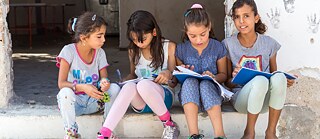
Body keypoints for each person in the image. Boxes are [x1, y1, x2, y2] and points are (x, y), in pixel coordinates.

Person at [97, 10, 180, 139]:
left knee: (144, 85)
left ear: (154, 32)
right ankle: (105, 133)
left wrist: (167, 74)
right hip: (141, 103)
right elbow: (133, 75)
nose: (139, 43)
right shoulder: (133, 50)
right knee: (129, 87)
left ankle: (169, 125)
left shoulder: (169, 47)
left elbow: (174, 81)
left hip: (163, 99)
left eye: (143, 39)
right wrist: (124, 81)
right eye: (135, 40)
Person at [222, 0, 296, 139]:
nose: (241, 21)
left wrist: (285, 81)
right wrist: (235, 76)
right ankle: (249, 132)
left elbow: (274, 74)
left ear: (256, 17)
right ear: (233, 19)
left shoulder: (269, 44)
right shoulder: (228, 44)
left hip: (265, 101)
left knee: (278, 77)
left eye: (246, 16)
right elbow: (227, 83)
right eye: (237, 17)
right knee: (260, 80)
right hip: (242, 100)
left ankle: (271, 132)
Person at [56, 12, 120, 139]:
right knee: (64, 94)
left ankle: (106, 130)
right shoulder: (68, 51)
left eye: (104, 35)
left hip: (95, 102)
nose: (104, 40)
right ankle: (71, 133)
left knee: (114, 89)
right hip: (75, 104)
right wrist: (83, 87)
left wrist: (104, 84)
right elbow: (61, 83)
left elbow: (104, 78)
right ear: (84, 37)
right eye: (99, 36)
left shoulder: (100, 53)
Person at [176, 4, 228, 139]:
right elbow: (177, 77)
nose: (198, 40)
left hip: (213, 94)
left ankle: (220, 135)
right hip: (190, 98)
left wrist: (214, 77)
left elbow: (224, 75)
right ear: (186, 31)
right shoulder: (181, 50)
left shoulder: (217, 47)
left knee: (205, 84)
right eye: (192, 36)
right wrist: (184, 71)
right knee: (189, 82)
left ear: (209, 27)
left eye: (203, 35)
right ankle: (194, 135)